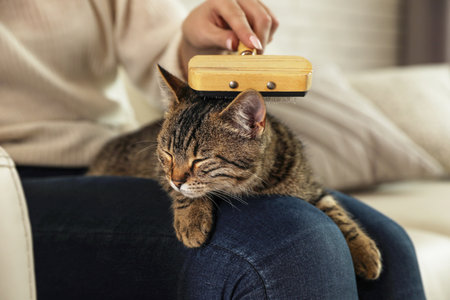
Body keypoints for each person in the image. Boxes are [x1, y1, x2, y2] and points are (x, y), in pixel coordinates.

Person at [0, 0, 426, 299]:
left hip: (112, 154)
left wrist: (196, 43)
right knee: (298, 239)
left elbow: (168, 71)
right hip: (13, 182)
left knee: (390, 241)